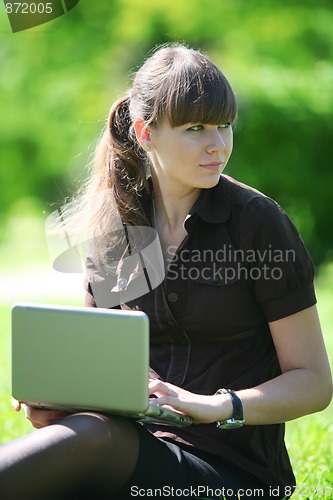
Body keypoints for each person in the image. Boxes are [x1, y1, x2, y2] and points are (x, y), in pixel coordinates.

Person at [1, 43, 332, 500]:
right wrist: (56, 403)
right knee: (82, 437)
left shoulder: (257, 222)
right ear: (145, 132)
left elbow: (314, 382)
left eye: (224, 126)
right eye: (196, 128)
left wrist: (213, 406)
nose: (218, 144)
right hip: (130, 450)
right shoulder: (112, 231)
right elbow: (101, 375)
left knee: (93, 442)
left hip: (235, 477)